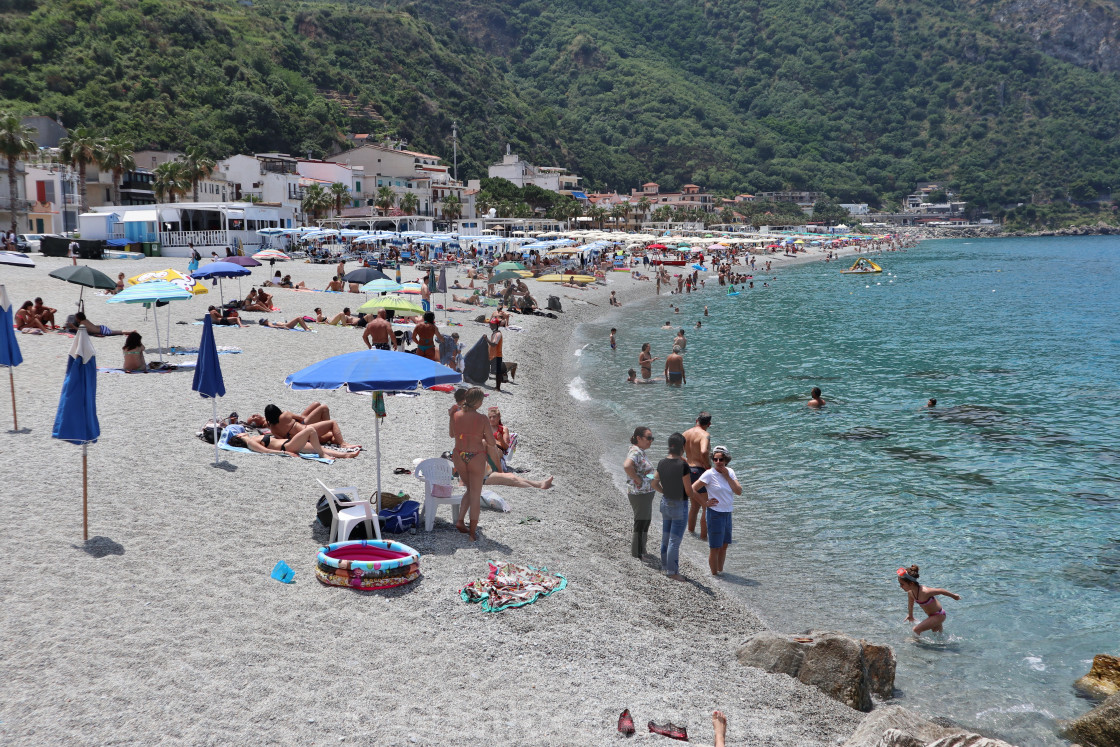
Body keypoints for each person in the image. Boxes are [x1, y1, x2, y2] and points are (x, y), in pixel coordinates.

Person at [450, 387, 500, 541]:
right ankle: (472, 534)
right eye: (482, 400)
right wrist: (482, 438)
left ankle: (460, 521)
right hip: (476, 456)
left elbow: (452, 434)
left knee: (470, 489)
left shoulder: (455, 414)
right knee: (475, 494)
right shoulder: (482, 418)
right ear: (477, 402)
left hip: (459, 455)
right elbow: (491, 442)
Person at [652, 432, 702, 581]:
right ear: (682, 447)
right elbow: (688, 490)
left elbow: (654, 483)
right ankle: (672, 572)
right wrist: (695, 493)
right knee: (675, 540)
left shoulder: (661, 462)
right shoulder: (683, 465)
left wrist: (664, 491)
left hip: (665, 502)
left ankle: (665, 566)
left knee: (665, 537)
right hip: (679, 505)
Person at [693, 445, 741, 575]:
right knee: (715, 547)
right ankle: (715, 575)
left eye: (720, 459)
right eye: (715, 459)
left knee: (724, 545)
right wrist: (705, 503)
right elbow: (693, 489)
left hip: (727, 513)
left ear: (726, 460)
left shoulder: (730, 472)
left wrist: (727, 476)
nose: (718, 462)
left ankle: (721, 572)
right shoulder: (709, 474)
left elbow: (739, 491)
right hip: (715, 514)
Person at [897, 564, 961, 635]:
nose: (900, 586)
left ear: (911, 583)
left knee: (916, 630)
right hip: (932, 616)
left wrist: (954, 596)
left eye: (902, 584)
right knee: (939, 637)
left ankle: (916, 645)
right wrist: (910, 615)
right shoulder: (910, 592)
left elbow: (941, 591)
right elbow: (910, 604)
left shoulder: (925, 592)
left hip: (939, 615)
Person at [262, 402, 358, 449]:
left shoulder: (273, 429)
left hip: (302, 440)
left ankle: (334, 437)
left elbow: (282, 439)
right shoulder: (285, 415)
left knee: (330, 437)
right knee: (332, 422)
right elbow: (302, 419)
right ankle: (343, 444)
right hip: (307, 429)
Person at [622, 427, 656, 559]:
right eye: (648, 438)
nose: (651, 441)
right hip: (639, 493)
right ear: (639, 438)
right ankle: (637, 553)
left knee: (645, 521)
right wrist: (637, 479)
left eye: (652, 438)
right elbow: (627, 466)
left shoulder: (640, 451)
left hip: (644, 493)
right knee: (641, 521)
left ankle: (642, 549)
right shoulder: (635, 451)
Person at [233, 429, 359, 460]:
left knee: (318, 448)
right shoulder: (250, 442)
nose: (243, 431)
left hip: (288, 443)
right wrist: (284, 452)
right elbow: (265, 451)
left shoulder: (253, 437)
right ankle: (322, 455)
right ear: (239, 436)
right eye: (241, 432)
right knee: (310, 431)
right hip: (287, 447)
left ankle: (346, 455)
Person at [684, 412, 712, 538]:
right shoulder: (705, 435)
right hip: (698, 471)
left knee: (694, 506)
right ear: (709, 424)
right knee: (707, 507)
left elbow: (675, 452)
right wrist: (707, 466)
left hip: (687, 469)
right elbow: (704, 451)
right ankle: (704, 537)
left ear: (696, 420)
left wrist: (686, 461)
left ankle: (690, 533)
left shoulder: (685, 433)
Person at [65, 311, 133, 337]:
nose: (75, 319)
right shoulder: (85, 320)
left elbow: (80, 330)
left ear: (79, 319)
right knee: (115, 331)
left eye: (76, 318)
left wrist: (73, 326)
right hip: (101, 327)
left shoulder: (82, 323)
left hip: (102, 331)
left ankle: (131, 332)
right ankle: (129, 332)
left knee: (117, 332)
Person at [486, 317, 504, 391]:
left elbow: (494, 344)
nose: (491, 326)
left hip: (497, 356)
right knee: (495, 371)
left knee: (498, 372)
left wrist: (486, 339)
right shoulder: (494, 333)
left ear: (496, 325)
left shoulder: (498, 334)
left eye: (493, 325)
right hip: (492, 355)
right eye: (491, 324)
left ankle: (498, 387)